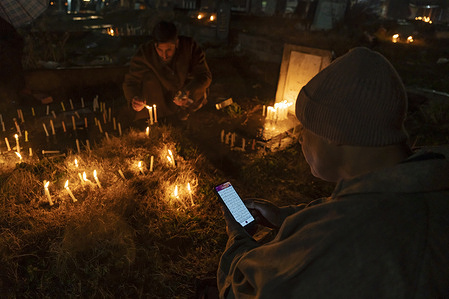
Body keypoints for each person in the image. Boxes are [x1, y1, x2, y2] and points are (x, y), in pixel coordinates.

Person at [217, 47, 449, 298]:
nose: (300, 140)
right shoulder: (429, 176)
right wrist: (287, 216)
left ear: (334, 133)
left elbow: (242, 289)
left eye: (305, 128)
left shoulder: (342, 237)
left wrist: (237, 237)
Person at [122, 20, 212, 125]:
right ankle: (158, 120)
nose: (164, 56)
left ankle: (185, 114)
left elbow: (204, 75)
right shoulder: (145, 53)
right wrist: (134, 98)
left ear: (176, 43)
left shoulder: (190, 47)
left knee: (201, 90)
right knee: (149, 80)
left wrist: (187, 91)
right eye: (160, 50)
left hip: (183, 91)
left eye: (169, 50)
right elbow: (131, 81)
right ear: (155, 45)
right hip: (160, 97)